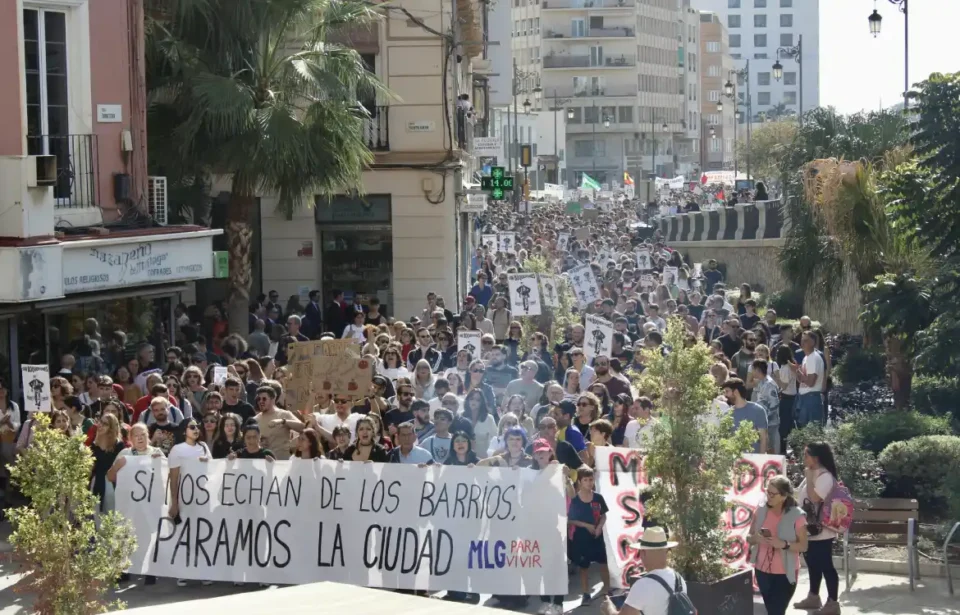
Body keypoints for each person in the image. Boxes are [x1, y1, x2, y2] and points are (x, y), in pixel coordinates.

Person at [748, 475, 808, 615]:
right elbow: (749, 538)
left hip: (786, 574)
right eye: (767, 492)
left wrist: (783, 544)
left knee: (776, 611)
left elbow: (804, 546)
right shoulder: (760, 510)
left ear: (784, 496)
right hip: (762, 571)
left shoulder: (797, 516)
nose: (768, 496)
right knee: (772, 611)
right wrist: (756, 538)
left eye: (772, 494)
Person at [794, 442, 842, 615]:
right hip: (810, 528)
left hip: (822, 530)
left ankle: (833, 603)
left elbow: (814, 497)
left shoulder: (825, 476)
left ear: (816, 458)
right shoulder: (814, 474)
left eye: (806, 455)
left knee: (826, 565)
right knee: (813, 564)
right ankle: (814, 597)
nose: (803, 458)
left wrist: (809, 477)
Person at [166, 417, 212, 587]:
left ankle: (204, 571)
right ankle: (183, 572)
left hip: (203, 498)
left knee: (202, 532)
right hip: (185, 498)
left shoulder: (204, 447)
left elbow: (213, 469)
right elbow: (174, 478)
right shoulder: (177, 450)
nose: (196, 429)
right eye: (192, 426)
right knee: (184, 533)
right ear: (184, 430)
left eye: (197, 426)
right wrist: (175, 502)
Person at [602, 527, 686, 615]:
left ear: (643, 553)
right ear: (666, 552)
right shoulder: (679, 579)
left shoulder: (643, 585)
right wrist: (634, 598)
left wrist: (608, 608)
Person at [567, 466, 610, 605]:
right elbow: (570, 520)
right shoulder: (575, 500)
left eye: (591, 479)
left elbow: (603, 516)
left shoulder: (598, 497)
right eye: (585, 480)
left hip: (597, 536)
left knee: (603, 563)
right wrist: (586, 525)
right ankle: (586, 593)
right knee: (584, 567)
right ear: (579, 481)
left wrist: (599, 527)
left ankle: (607, 590)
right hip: (582, 537)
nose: (589, 483)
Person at [254, 385, 303, 460]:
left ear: (273, 399)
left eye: (264, 399)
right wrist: (258, 443)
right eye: (259, 399)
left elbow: (303, 428)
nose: (261, 401)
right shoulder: (255, 420)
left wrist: (283, 421)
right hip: (263, 462)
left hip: (282, 462)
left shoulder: (284, 414)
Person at [721, 378, 768, 453]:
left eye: (727, 391)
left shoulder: (758, 410)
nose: (725, 395)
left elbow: (763, 438)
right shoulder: (727, 414)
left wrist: (761, 460)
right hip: (735, 461)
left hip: (754, 461)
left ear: (736, 392)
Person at [793, 331, 825, 427]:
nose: (802, 343)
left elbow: (810, 382)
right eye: (802, 340)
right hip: (804, 397)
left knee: (811, 432)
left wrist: (801, 375)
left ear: (813, 343)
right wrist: (797, 372)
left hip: (811, 397)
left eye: (806, 341)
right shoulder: (806, 358)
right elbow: (801, 380)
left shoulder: (813, 358)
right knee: (804, 431)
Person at [751, 359, 781, 454]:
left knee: (769, 446)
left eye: (753, 369)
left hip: (770, 422)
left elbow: (774, 404)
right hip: (764, 421)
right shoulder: (761, 383)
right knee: (765, 445)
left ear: (758, 370)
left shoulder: (769, 384)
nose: (752, 372)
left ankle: (773, 466)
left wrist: (765, 419)